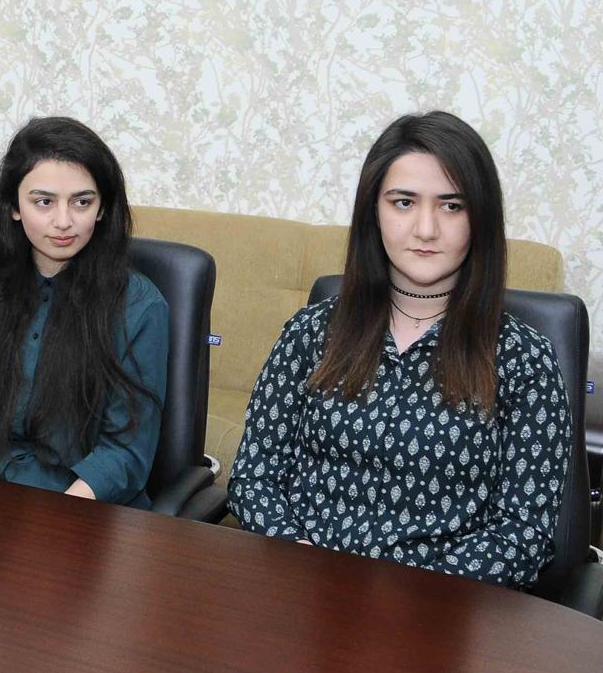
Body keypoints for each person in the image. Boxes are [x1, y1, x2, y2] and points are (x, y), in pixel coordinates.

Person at [228, 111, 570, 587]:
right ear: (374, 211)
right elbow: (254, 478)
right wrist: (302, 560)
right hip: (304, 591)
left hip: (442, 609)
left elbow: (523, 534)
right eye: (404, 202)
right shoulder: (311, 331)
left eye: (452, 206)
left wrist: (410, 598)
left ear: (481, 219)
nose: (426, 229)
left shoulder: (523, 358)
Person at [0, 117, 169, 506]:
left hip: (80, 508)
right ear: (14, 206)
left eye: (82, 202)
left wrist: (53, 521)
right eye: (44, 202)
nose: (63, 221)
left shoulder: (140, 308)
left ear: (102, 209)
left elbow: (125, 454)